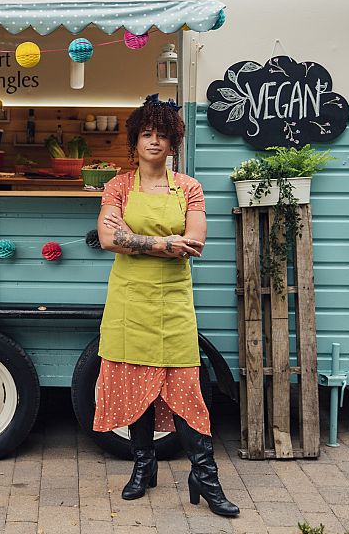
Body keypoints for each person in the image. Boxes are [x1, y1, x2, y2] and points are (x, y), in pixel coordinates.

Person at [93, 94, 239, 517]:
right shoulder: (118, 186)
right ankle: (144, 465)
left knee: (186, 390)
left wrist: (136, 240)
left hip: (174, 304)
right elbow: (108, 238)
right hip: (129, 302)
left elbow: (194, 243)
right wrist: (163, 243)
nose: (154, 141)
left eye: (162, 134)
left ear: (173, 141)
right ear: (135, 141)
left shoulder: (189, 188)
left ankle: (205, 476)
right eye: (146, 134)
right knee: (135, 387)